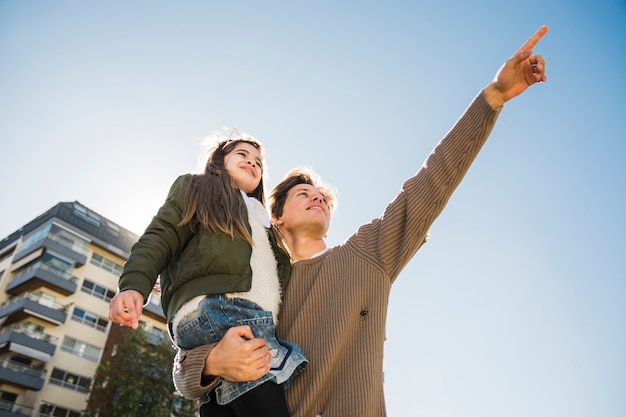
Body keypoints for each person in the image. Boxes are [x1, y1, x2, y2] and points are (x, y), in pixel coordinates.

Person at [175, 26, 548, 417]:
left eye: (322, 196)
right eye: (303, 193)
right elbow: (185, 371)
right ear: (276, 216)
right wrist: (213, 362)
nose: (317, 196)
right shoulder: (252, 280)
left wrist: (493, 97)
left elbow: (431, 183)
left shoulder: (368, 255)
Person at [107, 129, 307, 417]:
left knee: (222, 404)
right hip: (222, 310)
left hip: (250, 318)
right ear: (218, 161)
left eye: (259, 162)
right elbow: (161, 236)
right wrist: (134, 286)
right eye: (242, 154)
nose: (253, 163)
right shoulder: (198, 188)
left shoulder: (262, 221)